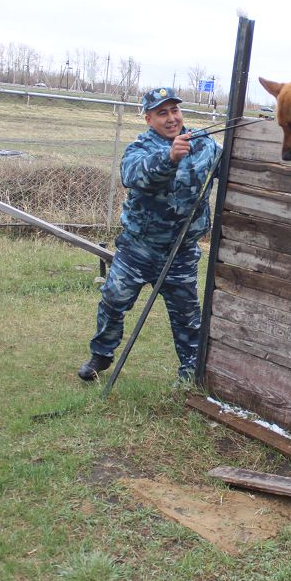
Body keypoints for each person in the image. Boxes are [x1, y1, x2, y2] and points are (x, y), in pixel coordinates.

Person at [78, 87, 222, 384]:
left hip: (181, 252)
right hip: (138, 249)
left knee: (187, 317)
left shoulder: (205, 145)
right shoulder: (141, 148)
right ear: (148, 119)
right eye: (162, 113)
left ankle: (190, 375)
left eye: (175, 111)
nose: (171, 119)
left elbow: (234, 165)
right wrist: (169, 157)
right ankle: (102, 354)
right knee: (113, 299)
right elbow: (132, 175)